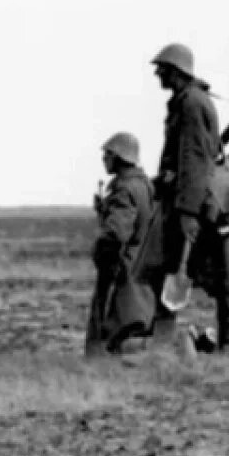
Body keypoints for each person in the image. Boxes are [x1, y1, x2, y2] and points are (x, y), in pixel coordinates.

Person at [151, 42, 229, 360]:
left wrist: (188, 212)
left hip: (200, 206)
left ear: (176, 72)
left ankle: (226, 347)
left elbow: (194, 160)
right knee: (187, 272)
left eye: (162, 69)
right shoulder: (185, 103)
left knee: (217, 275)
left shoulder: (191, 105)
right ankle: (167, 344)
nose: (158, 74)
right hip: (193, 201)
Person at [84, 132, 154, 358]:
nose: (104, 159)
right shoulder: (144, 185)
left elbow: (116, 233)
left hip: (121, 268)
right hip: (140, 265)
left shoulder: (124, 190)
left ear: (120, 157)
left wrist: (101, 253)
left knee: (111, 328)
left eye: (108, 154)